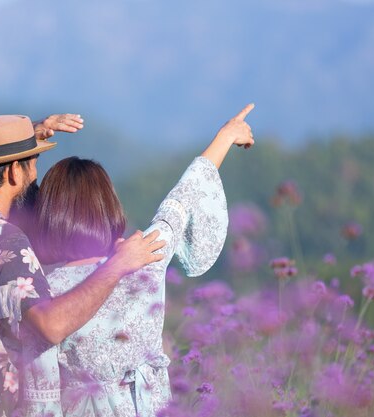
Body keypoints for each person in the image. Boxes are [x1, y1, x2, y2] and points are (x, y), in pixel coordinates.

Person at [0, 113, 166, 417]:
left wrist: (28, 135)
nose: (36, 176)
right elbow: (50, 325)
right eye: (32, 162)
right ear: (14, 171)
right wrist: (118, 264)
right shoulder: (6, 242)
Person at [24, 104, 256, 416]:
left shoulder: (38, 288)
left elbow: (40, 387)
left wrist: (28, 136)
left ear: (47, 214)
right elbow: (181, 202)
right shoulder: (143, 259)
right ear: (108, 207)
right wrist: (226, 136)